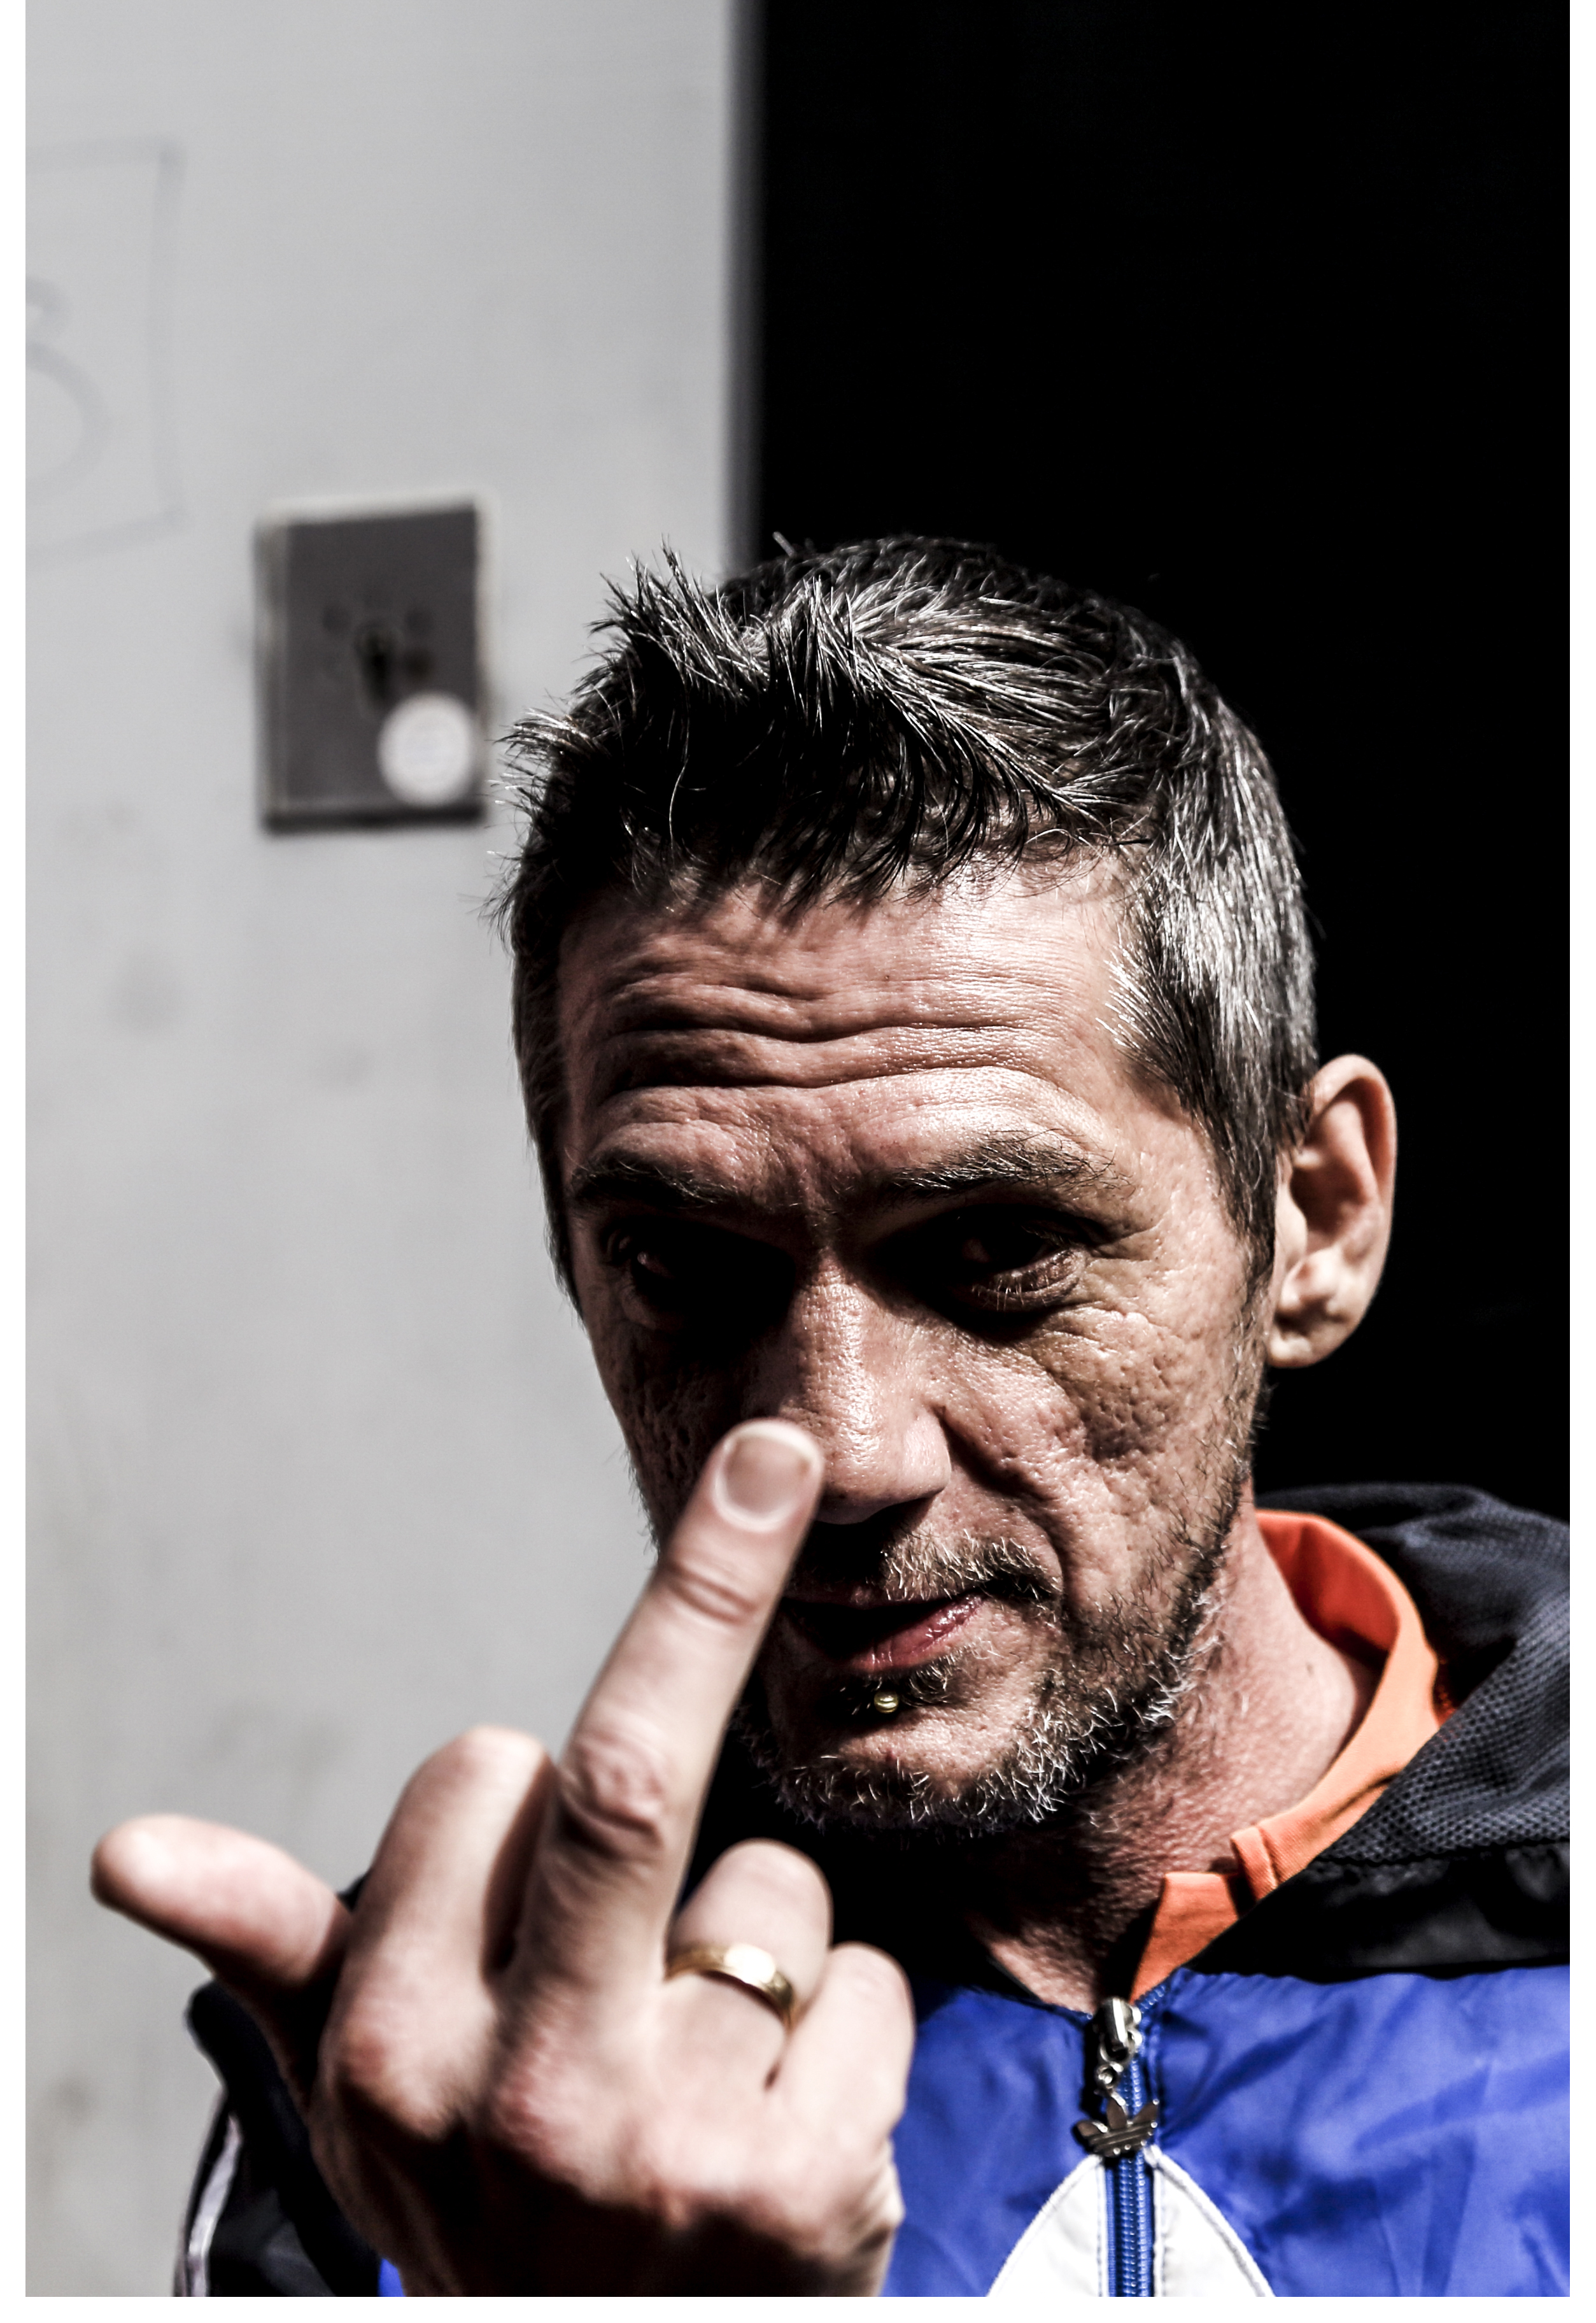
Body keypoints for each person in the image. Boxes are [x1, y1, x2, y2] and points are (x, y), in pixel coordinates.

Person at [94, 539, 1567, 2298]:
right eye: (681, 1266)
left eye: (997, 1251)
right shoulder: (448, 2109)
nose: (845, 1454)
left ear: (1313, 1222)